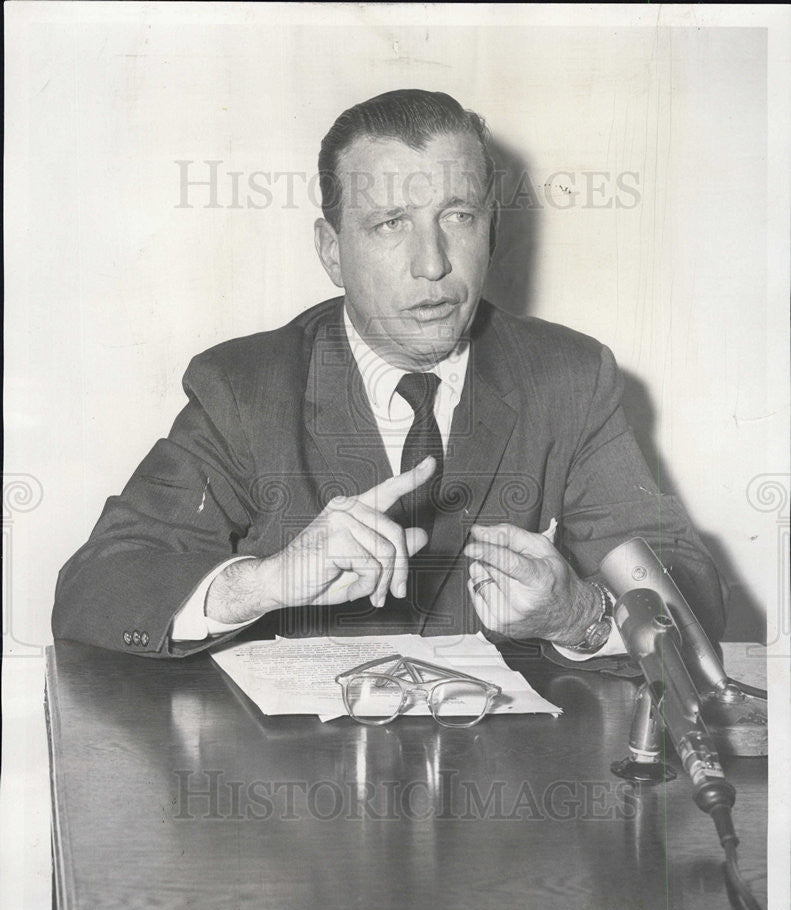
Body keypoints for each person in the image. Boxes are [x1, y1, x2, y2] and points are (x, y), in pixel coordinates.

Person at [52, 89, 725, 661]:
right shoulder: (243, 387)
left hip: (511, 790)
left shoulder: (569, 378)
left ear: (490, 232)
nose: (431, 263)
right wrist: (260, 583)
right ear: (331, 251)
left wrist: (579, 615)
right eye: (388, 225)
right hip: (302, 799)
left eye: (457, 217)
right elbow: (94, 591)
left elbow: (686, 586)